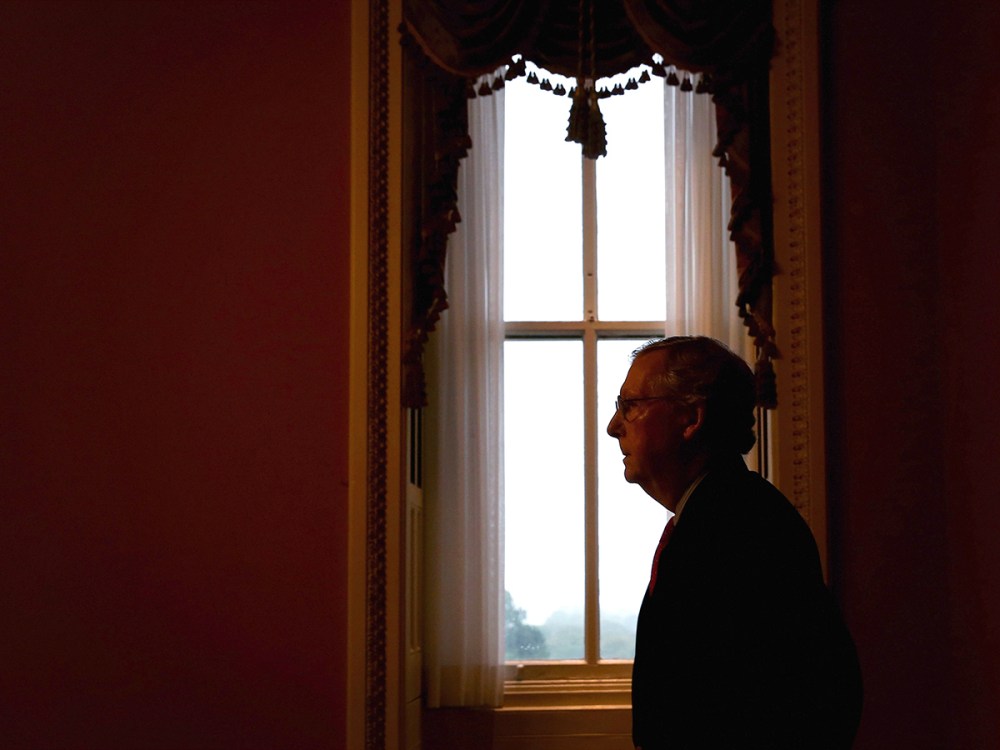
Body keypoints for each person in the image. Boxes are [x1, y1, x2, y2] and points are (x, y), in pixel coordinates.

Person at [606, 336, 862, 750]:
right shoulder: (722, 515)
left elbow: (811, 696)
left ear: (691, 417)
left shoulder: (742, 531)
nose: (614, 426)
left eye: (629, 406)